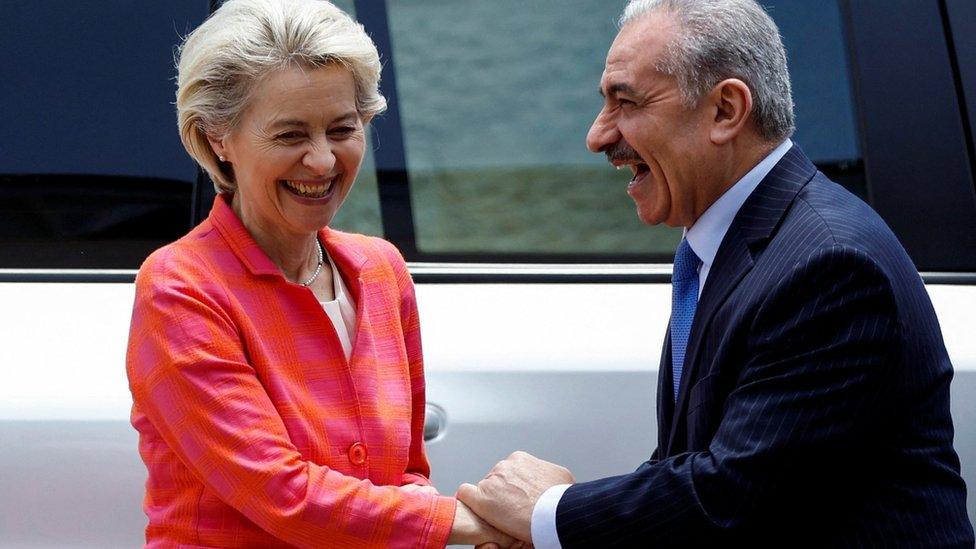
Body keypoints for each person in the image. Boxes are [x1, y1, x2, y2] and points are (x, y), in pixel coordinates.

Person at [457, 0, 975, 546]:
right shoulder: (730, 245)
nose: (599, 136)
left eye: (626, 102)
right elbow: (699, 467)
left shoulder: (829, 265)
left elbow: (730, 497)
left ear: (726, 110)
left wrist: (548, 513)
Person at [125, 0, 515, 547]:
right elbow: (284, 495)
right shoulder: (180, 288)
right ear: (218, 138)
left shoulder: (381, 271)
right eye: (289, 136)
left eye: (341, 128)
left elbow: (404, 476)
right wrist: (476, 523)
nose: (323, 161)